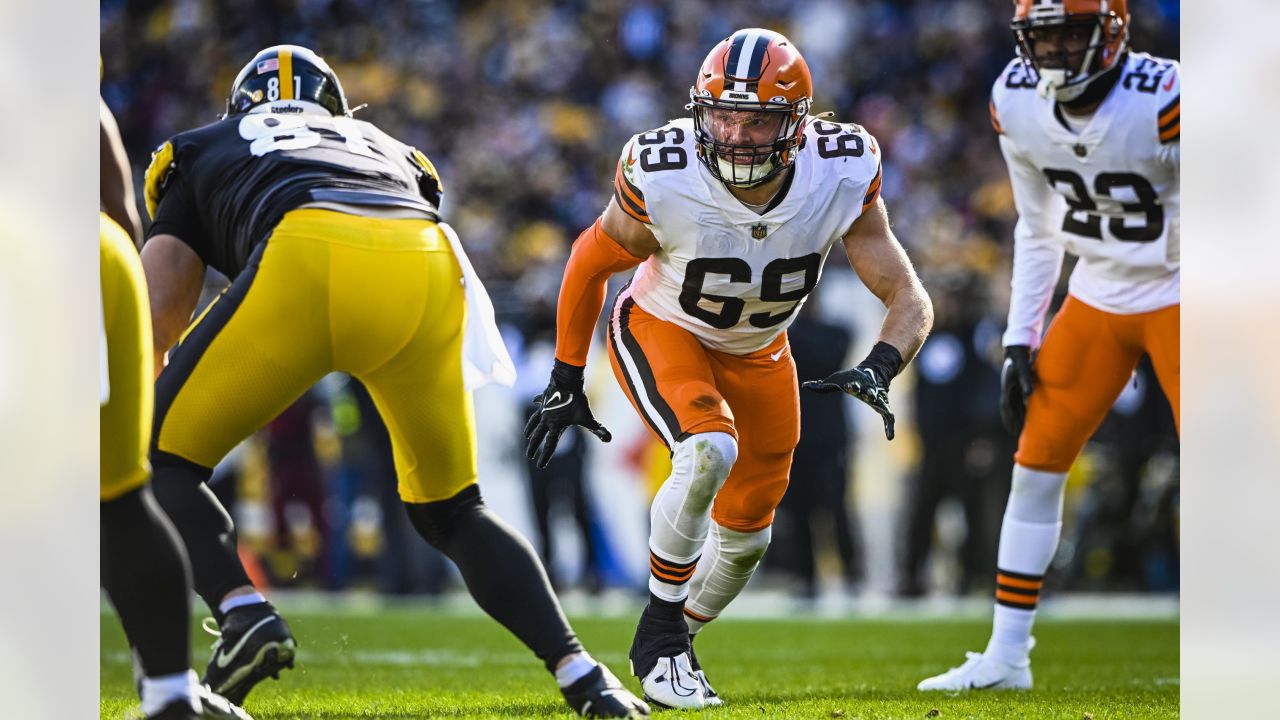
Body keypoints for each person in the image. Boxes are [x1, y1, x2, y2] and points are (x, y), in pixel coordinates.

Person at [139, 44, 648, 718]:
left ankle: (243, 613)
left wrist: (148, 382)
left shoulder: (204, 144)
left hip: (306, 256)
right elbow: (418, 206)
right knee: (456, 509)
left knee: (155, 459)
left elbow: (163, 296)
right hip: (429, 263)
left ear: (239, 108)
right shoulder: (389, 144)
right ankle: (585, 676)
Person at [524, 28, 933, 709]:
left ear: (797, 125)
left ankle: (670, 642)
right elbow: (591, 259)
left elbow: (906, 294)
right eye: (724, 116)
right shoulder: (662, 167)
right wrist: (568, 376)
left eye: (759, 119)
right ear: (700, 112)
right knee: (709, 448)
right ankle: (658, 641)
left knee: (748, 539)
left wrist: (883, 363)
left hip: (763, 350)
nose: (738, 134)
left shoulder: (844, 166)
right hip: (664, 326)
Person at [918, 0, 1179, 691]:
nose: (1057, 51)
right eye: (1045, 36)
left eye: (1071, 34)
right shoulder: (1015, 99)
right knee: (1033, 466)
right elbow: (1037, 228)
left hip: (1186, 293)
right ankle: (1007, 656)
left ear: (1114, 32)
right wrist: (1019, 336)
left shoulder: (1166, 99)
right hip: (1095, 294)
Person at [101, 89, 252, 720]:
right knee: (122, 501)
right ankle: (169, 694)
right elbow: (119, 211)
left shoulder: (196, 151)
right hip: (92, 254)